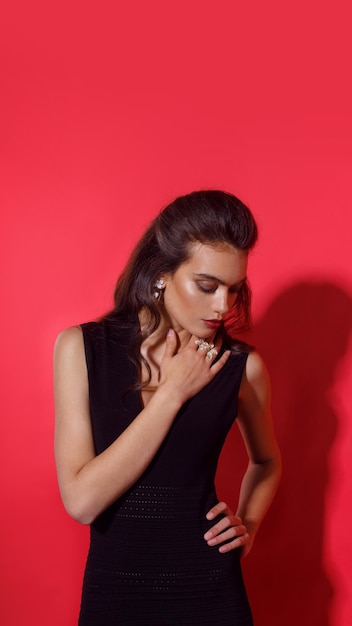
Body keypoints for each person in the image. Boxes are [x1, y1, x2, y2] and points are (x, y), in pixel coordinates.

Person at [54, 190, 281, 626]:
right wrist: (173, 392)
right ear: (161, 273)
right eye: (207, 285)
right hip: (113, 594)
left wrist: (248, 522)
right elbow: (82, 502)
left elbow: (267, 460)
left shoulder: (241, 368)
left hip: (211, 591)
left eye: (235, 289)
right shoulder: (82, 349)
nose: (223, 306)